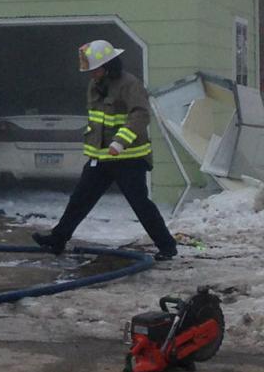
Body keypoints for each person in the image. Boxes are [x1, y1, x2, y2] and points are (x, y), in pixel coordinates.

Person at [32, 39, 178, 261]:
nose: (91, 74)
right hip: (100, 158)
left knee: (140, 204)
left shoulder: (130, 84)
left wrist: (120, 142)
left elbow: (140, 115)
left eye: (95, 69)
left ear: (108, 66)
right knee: (80, 198)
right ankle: (58, 238)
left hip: (129, 157)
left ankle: (167, 247)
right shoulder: (95, 85)